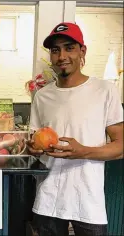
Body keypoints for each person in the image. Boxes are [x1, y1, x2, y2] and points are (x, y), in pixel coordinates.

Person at [27, 22, 123, 236]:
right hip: (48, 197)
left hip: (87, 200)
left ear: (82, 51)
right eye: (55, 50)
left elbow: (120, 146)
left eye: (69, 47)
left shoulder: (105, 91)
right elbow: (35, 142)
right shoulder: (42, 96)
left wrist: (84, 151)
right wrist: (33, 149)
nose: (62, 56)